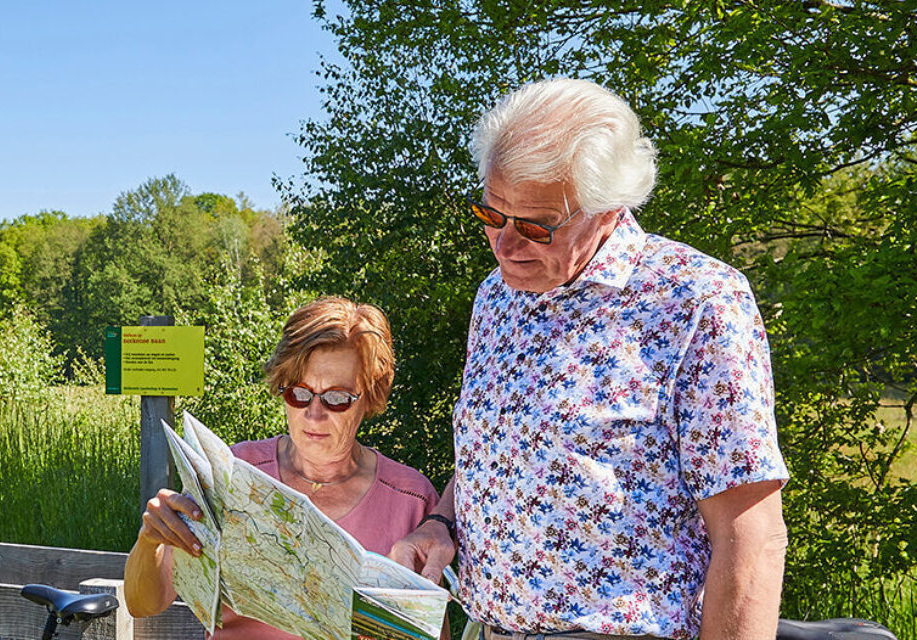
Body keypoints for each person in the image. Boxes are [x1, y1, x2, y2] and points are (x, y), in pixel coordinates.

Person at [387, 78, 790, 640]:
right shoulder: (497, 294)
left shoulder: (695, 300)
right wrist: (441, 522)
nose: (505, 245)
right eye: (491, 214)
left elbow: (751, 534)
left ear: (607, 211)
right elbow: (504, 446)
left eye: (534, 226)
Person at [123, 297, 439, 638]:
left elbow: (433, 630)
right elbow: (142, 604)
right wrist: (150, 541)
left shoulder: (411, 499)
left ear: (370, 397)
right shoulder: (232, 474)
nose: (314, 415)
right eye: (299, 394)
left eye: (336, 398)